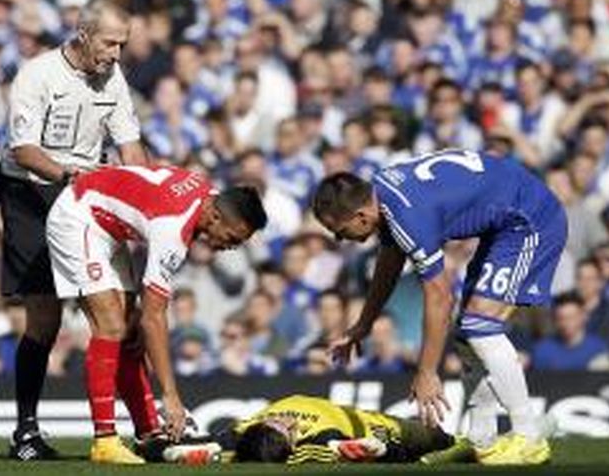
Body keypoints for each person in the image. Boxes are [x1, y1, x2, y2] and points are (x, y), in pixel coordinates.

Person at [313, 149, 567, 466]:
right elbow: (390, 261)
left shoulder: (408, 215)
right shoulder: (383, 194)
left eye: (339, 231)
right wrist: (364, 324)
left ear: (361, 217)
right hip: (506, 220)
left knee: (480, 328)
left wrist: (427, 373)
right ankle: (481, 439)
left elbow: (440, 298)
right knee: (468, 333)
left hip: (530, 220)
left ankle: (528, 438)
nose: (340, 240)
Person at [0, 0, 148, 460]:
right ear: (83, 34)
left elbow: (130, 147)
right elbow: (23, 150)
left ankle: (144, 426)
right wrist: (70, 177)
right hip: (32, 193)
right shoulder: (37, 74)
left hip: (87, 193)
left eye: (122, 44)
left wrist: (142, 200)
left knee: (123, 311)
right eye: (110, 42)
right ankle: (25, 431)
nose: (117, 53)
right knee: (45, 318)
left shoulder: (113, 78)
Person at [45, 164, 267, 464]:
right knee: (111, 326)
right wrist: (171, 395)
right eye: (233, 237)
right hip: (77, 217)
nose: (231, 246)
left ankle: (149, 433)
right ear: (215, 216)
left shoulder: (205, 194)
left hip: (107, 223)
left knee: (131, 333)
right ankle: (105, 441)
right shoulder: (174, 227)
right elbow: (155, 316)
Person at [149, 394, 472, 465]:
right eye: (287, 428)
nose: (289, 423)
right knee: (433, 440)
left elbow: (204, 439)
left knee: (224, 446)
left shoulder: (246, 429)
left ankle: (212, 456)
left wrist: (159, 449)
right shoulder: (318, 434)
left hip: (357, 422)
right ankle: (460, 446)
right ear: (290, 438)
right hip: (367, 422)